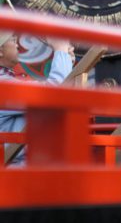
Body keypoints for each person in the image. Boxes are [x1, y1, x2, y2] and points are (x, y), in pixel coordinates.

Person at [0, 33, 74, 165]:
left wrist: (65, 59)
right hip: (17, 168)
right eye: (12, 40)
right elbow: (54, 94)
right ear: (0, 51)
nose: (17, 44)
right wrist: (61, 49)